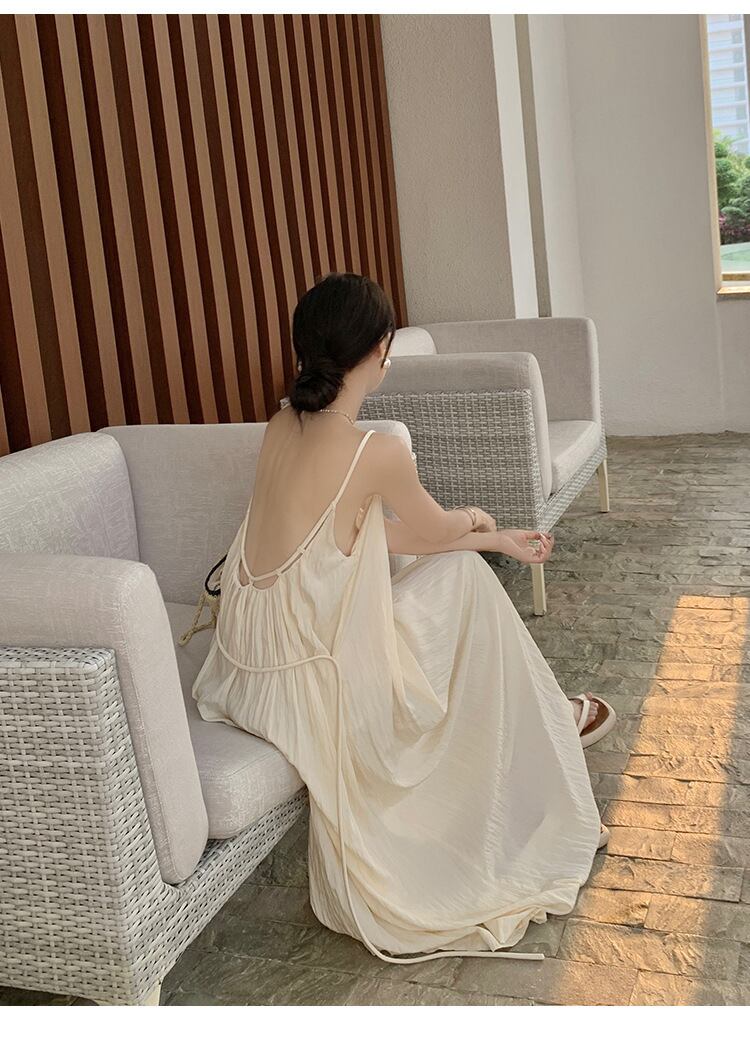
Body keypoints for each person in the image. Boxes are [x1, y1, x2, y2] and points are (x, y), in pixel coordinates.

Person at [191, 272, 616, 964]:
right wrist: (482, 524)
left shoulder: (281, 423)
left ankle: (544, 715)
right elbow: (434, 530)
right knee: (466, 580)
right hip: (313, 679)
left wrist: (494, 539)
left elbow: (373, 536)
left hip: (249, 662)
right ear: (380, 349)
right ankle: (544, 727)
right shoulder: (374, 450)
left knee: (462, 569)